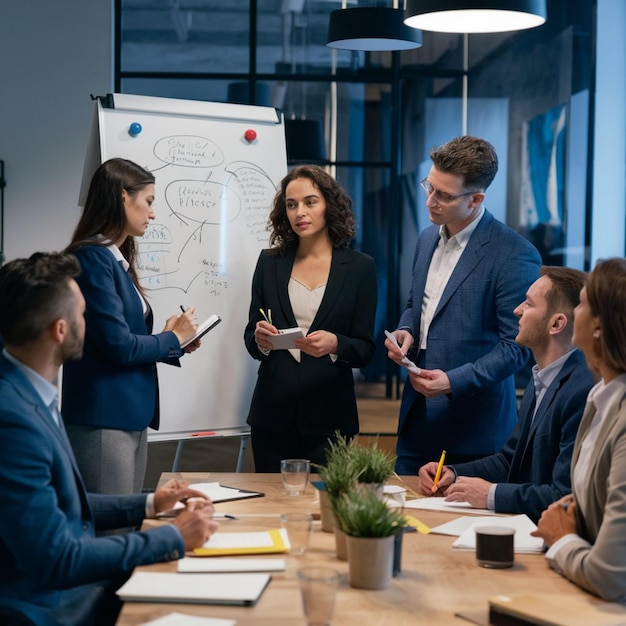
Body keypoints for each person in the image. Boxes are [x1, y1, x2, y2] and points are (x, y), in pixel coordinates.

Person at [0, 252, 218, 625]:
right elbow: (58, 560)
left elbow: (68, 504)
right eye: (82, 314)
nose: (89, 323)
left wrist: (151, 503)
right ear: (60, 330)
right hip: (48, 610)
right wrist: (172, 538)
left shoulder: (31, 392)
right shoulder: (12, 419)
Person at [386, 136, 542, 474]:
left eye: (443, 195)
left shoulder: (513, 253)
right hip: (416, 421)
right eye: (429, 186)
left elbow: (518, 347)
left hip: (474, 432)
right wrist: (406, 329)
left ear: (476, 198)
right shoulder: (427, 238)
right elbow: (418, 303)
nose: (430, 201)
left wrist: (452, 382)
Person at [62, 158, 201, 496]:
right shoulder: (93, 258)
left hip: (127, 416)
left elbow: (119, 338)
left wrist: (175, 341)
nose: (152, 213)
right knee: (113, 527)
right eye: (149, 201)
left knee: (125, 520)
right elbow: (118, 345)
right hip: (103, 418)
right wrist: (171, 337)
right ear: (124, 196)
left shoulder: (113, 259)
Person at [418, 267, 595, 522]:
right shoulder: (541, 378)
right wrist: (453, 474)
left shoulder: (582, 390)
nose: (517, 310)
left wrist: (490, 494)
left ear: (556, 324)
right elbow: (510, 460)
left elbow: (564, 496)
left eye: (529, 304)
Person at [244, 165, 377, 472]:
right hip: (271, 414)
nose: (299, 212)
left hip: (331, 414)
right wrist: (261, 341)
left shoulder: (360, 268)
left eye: (309, 202)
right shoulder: (269, 263)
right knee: (271, 507)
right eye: (291, 205)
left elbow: (365, 349)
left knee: (324, 509)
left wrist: (336, 345)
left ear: (329, 204)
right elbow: (251, 336)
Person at [532, 258, 626, 602]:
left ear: (600, 327)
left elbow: (610, 577)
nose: (574, 312)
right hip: (582, 595)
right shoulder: (599, 398)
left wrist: (562, 539)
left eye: (582, 304)